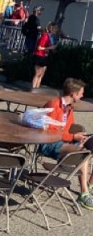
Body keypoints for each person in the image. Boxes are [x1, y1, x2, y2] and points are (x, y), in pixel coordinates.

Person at [39, 78, 93, 209]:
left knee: (89, 145)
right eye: (81, 93)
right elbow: (50, 133)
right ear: (73, 94)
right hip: (49, 143)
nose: (82, 96)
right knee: (83, 153)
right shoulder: (53, 105)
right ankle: (84, 193)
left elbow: (67, 130)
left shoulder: (69, 108)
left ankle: (90, 185)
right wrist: (73, 137)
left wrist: (79, 137)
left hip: (64, 141)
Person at [32, 22, 58, 89]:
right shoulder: (45, 36)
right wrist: (49, 48)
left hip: (45, 56)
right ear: (51, 29)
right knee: (37, 73)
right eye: (55, 29)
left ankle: (37, 88)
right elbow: (39, 47)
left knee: (41, 75)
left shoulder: (51, 37)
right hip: (39, 55)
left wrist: (53, 49)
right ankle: (33, 88)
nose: (56, 30)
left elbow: (50, 48)